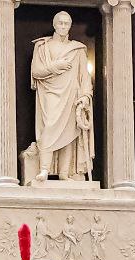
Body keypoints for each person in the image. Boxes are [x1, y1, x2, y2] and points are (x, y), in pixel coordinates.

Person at [30, 11, 94, 182]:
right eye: (60, 23)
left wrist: (85, 96)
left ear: (70, 26)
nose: (63, 26)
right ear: (54, 25)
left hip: (71, 95)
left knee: (69, 132)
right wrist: (55, 66)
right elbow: (36, 71)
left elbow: (84, 76)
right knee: (49, 126)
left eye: (67, 24)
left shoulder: (78, 49)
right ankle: (44, 169)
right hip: (50, 94)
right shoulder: (43, 46)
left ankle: (64, 173)